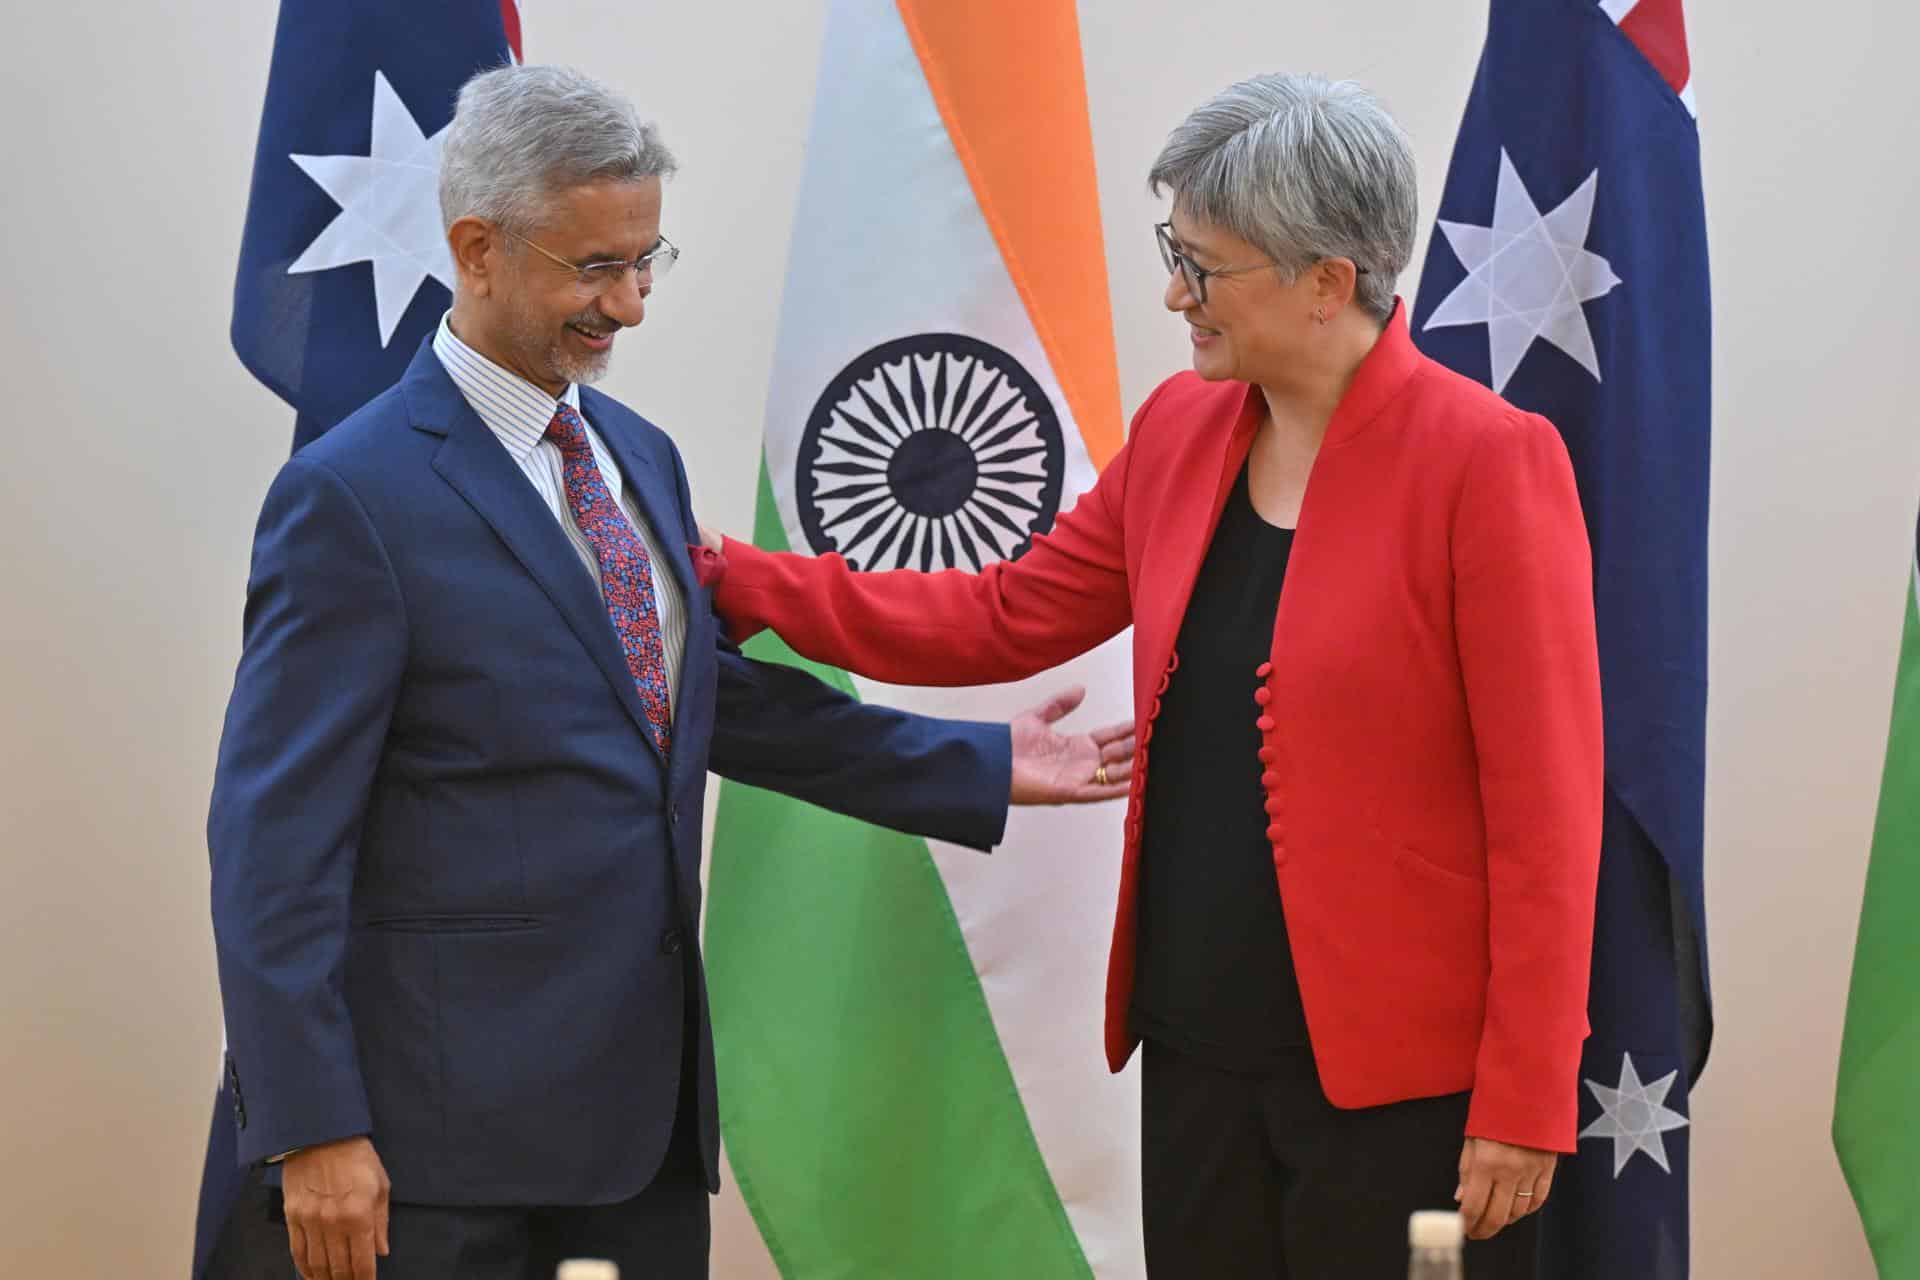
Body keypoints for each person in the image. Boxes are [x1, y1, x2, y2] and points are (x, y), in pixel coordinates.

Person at [206, 64, 1133, 1280]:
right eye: (595, 268)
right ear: (477, 248)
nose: (631, 306)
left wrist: (979, 760)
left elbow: (691, 701)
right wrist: (314, 1124)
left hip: (637, 1134)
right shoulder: (351, 496)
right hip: (436, 1152)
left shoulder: (633, 453)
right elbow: (273, 840)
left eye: (648, 261)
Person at [699, 73, 1604, 1278]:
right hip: (1194, 1053)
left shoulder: (1488, 463)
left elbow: (1549, 815)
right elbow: (1001, 616)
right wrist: (728, 578)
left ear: (1328, 281)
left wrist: (1528, 1096)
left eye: (1206, 266)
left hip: (1408, 1099)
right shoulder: (1181, 427)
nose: (1176, 292)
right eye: (1174, 251)